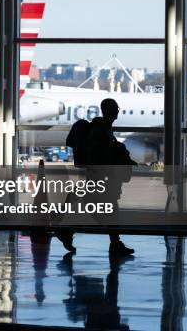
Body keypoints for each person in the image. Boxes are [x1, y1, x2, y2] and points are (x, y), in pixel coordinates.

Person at [63, 98, 136, 256]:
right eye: (115, 108)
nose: (118, 110)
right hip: (101, 176)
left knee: (103, 209)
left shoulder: (104, 127)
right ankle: (66, 230)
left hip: (99, 176)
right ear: (109, 110)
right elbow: (101, 153)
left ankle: (67, 230)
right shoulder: (101, 128)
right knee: (105, 211)